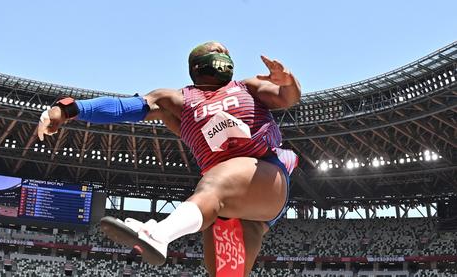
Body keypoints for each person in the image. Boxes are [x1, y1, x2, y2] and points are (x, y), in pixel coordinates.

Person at [37, 41, 301, 276]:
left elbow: (287, 98)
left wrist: (289, 81)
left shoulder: (246, 86)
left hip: (265, 175)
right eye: (218, 51)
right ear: (198, 64)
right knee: (224, 272)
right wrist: (69, 109)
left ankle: (159, 233)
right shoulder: (177, 100)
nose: (225, 53)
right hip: (231, 202)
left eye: (227, 52)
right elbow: (122, 107)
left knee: (213, 183)